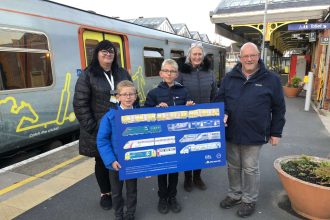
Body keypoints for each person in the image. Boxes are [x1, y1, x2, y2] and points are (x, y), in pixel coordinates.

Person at [214, 42, 286, 218]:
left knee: (250, 168)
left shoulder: (271, 79)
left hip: (255, 132)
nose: (249, 59)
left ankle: (249, 200)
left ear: (258, 55)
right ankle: (234, 194)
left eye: (252, 55)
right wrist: (223, 113)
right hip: (231, 131)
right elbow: (220, 100)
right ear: (240, 58)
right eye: (245, 56)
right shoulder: (229, 78)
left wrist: (276, 132)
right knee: (233, 166)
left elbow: (278, 108)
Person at [73, 40, 134, 211]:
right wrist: (92, 127)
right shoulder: (88, 74)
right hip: (99, 127)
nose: (108, 55)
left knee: (120, 158)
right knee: (101, 161)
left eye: (111, 52)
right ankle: (105, 193)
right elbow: (80, 103)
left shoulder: (122, 73)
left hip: (122, 127)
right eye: (104, 52)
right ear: (97, 54)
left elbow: (131, 93)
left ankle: (116, 191)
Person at [144, 59, 194, 214]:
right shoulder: (153, 93)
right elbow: (145, 114)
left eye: (172, 71)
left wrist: (189, 108)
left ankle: (172, 196)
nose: (169, 73)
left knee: (174, 168)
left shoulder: (184, 91)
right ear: (161, 73)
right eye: (166, 71)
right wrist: (156, 109)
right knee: (162, 169)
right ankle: (162, 197)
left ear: (177, 74)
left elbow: (189, 115)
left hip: (178, 137)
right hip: (160, 139)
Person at [178, 42, 218, 192]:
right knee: (188, 147)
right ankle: (188, 177)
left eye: (199, 54)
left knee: (201, 148)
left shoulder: (210, 72)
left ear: (203, 56)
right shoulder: (182, 73)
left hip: (205, 117)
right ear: (189, 55)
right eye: (194, 54)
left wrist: (215, 111)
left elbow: (215, 94)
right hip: (187, 117)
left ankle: (197, 176)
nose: (197, 56)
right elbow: (177, 93)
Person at [97, 80, 138, 220]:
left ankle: (130, 214)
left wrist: (146, 165)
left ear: (136, 96)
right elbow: (102, 140)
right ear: (118, 97)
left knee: (132, 190)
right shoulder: (110, 116)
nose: (128, 97)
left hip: (133, 161)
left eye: (131, 94)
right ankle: (118, 215)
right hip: (116, 163)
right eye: (124, 94)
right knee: (116, 192)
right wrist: (111, 160)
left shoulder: (141, 115)